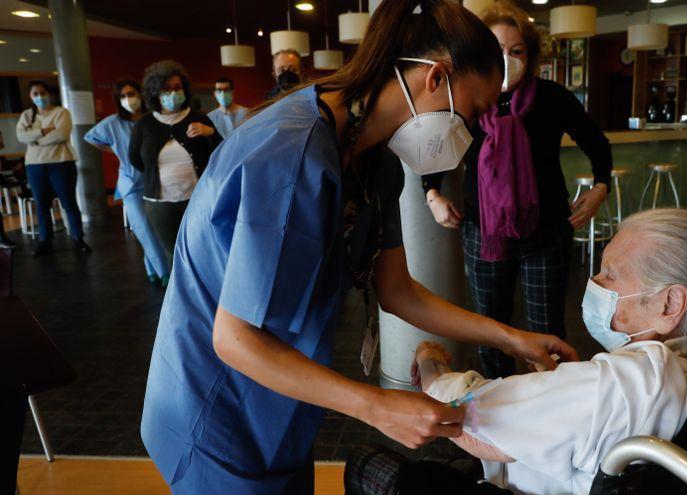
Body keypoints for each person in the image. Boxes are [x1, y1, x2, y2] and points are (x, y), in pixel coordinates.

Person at [140, 0, 578, 492]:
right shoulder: (293, 154)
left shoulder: (374, 157)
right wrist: (376, 407)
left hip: (277, 405)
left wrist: (511, 338)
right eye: (472, 112)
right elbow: (234, 339)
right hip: (216, 409)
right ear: (436, 77)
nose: (472, 132)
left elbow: (398, 291)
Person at [412, 209, 687, 494]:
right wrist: (562, 386)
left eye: (609, 275)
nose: (594, 283)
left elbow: (479, 426)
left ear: (669, 304)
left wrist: (432, 370)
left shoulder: (624, 384)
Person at [422, 1, 613, 378]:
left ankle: (552, 401)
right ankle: (499, 398)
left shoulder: (552, 98)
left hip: (546, 232)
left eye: (517, 51)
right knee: (491, 328)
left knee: (548, 328)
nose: (506, 59)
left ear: (531, 55)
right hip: (483, 232)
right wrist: (432, 194)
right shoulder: (466, 98)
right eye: (497, 50)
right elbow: (436, 149)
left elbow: (596, 142)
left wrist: (601, 186)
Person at [129, 61, 221, 263]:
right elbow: (135, 159)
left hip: (198, 199)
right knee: (173, 254)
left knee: (203, 250)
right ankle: (180, 294)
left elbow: (221, 152)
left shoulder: (200, 118)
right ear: (155, 92)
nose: (173, 93)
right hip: (159, 203)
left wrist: (210, 133)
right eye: (166, 88)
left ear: (185, 89)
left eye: (177, 87)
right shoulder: (143, 125)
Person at [85, 79, 170, 286]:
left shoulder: (154, 119)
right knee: (143, 228)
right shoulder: (112, 123)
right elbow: (90, 137)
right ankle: (165, 273)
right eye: (122, 96)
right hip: (131, 184)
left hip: (154, 181)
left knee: (157, 228)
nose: (128, 99)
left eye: (131, 93)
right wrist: (114, 150)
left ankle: (152, 268)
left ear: (141, 94)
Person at [15, 80, 90, 256]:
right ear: (30, 96)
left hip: (61, 163)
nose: (40, 96)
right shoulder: (26, 115)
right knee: (41, 205)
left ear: (49, 94)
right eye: (35, 94)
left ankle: (78, 238)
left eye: (43, 93)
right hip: (34, 166)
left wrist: (34, 140)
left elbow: (61, 134)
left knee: (69, 203)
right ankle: (45, 240)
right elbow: (20, 136)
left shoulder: (61, 112)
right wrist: (42, 131)